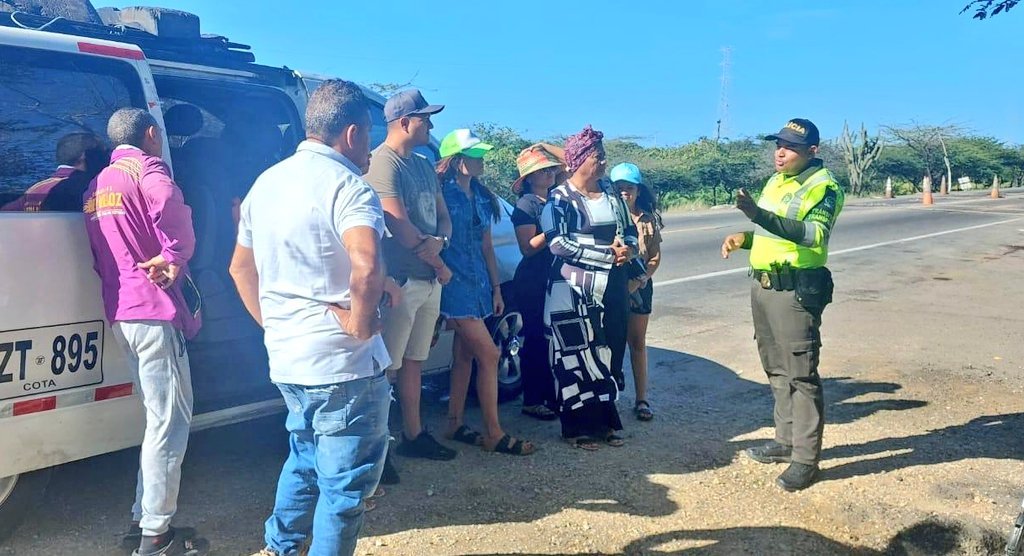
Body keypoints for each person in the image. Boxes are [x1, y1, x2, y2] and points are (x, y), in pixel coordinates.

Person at [230, 79, 396, 556]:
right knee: (344, 489)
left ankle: (278, 548)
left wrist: (276, 326)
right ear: (351, 134)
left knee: (303, 459)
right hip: (342, 366)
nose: (372, 146)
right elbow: (365, 266)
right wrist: (361, 326)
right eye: (370, 134)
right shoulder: (349, 187)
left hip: (288, 360)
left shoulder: (266, 184)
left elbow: (240, 269)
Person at [83, 108, 206, 556]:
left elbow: (100, 256)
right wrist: (175, 255)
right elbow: (171, 206)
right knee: (170, 421)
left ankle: (143, 517)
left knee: (156, 419)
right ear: (152, 134)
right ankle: (157, 535)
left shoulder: (97, 185)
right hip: (153, 309)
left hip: (122, 312)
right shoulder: (146, 170)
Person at [721, 118, 845, 492]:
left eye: (790, 146)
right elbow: (768, 235)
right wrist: (744, 237)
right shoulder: (776, 181)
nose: (780, 151)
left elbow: (812, 235)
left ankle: (806, 459)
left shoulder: (824, 188)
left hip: (795, 292)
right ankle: (785, 439)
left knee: (801, 374)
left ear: (812, 152)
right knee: (775, 368)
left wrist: (756, 214)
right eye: (778, 144)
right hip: (764, 286)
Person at [363, 89, 457, 470]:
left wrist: (438, 245)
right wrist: (438, 261)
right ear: (404, 122)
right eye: (424, 118)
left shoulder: (421, 163)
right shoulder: (383, 164)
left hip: (427, 278)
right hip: (402, 281)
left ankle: (414, 434)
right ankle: (376, 448)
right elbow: (398, 226)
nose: (430, 125)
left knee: (415, 360)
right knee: (386, 367)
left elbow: (442, 216)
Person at [436, 129, 537, 455]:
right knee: (490, 354)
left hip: (479, 285)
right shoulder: (441, 194)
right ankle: (493, 432)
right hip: (454, 287)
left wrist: (496, 288)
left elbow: (486, 246)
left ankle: (454, 423)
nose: (481, 160)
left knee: (464, 355)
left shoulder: (482, 196)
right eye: (474, 155)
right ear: (457, 160)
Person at [541, 125, 638, 451]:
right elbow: (558, 244)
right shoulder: (559, 198)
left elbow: (630, 232)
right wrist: (605, 254)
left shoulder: (611, 192)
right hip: (572, 289)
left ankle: (607, 423)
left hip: (612, 285)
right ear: (580, 160)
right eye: (597, 156)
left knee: (608, 349)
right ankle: (576, 429)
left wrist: (630, 250)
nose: (603, 162)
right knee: (575, 356)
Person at [510, 144, 566, 421]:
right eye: (541, 170)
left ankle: (550, 396)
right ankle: (532, 399)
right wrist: (553, 231)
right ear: (528, 178)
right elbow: (527, 247)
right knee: (534, 339)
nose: (549, 173)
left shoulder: (555, 198)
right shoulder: (527, 204)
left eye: (549, 168)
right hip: (533, 280)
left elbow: (569, 162)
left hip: (554, 278)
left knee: (552, 339)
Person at [610, 163, 663, 422]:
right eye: (618, 188)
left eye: (628, 188)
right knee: (611, 343)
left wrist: (641, 279)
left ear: (637, 190)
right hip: (612, 286)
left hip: (640, 286)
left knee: (638, 343)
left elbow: (654, 257)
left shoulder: (648, 219)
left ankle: (642, 399)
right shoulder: (607, 215)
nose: (623, 193)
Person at [2, 132, 108, 212]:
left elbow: (6, 214)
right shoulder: (94, 188)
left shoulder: (36, 189)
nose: (107, 158)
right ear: (84, 157)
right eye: (101, 154)